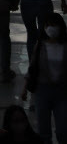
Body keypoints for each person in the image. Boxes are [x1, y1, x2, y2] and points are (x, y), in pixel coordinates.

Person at [21, 13, 67, 144]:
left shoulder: (65, 46)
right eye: (48, 25)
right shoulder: (40, 45)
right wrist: (25, 88)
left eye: (54, 25)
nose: (51, 28)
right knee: (43, 131)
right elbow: (32, 67)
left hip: (62, 92)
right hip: (42, 91)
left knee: (63, 129)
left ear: (60, 27)